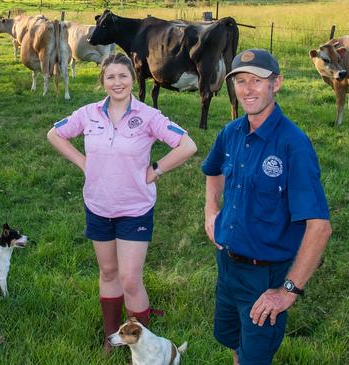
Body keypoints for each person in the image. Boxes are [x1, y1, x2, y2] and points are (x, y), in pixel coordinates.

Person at [47, 53, 197, 352]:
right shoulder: (88, 113)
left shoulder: (148, 115)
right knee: (108, 273)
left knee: (130, 279)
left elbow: (188, 145)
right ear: (102, 80)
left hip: (135, 209)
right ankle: (111, 338)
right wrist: (82, 161)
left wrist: (157, 169)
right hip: (98, 206)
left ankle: (141, 345)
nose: (117, 82)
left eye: (123, 76)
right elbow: (54, 134)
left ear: (133, 78)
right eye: (111, 77)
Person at [202, 49, 332, 365]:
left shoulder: (293, 144)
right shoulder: (231, 132)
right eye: (241, 81)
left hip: (265, 277)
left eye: (257, 81)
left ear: (277, 84)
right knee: (233, 343)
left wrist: (288, 290)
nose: (247, 90)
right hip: (227, 266)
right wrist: (211, 211)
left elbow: (320, 227)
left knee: (255, 358)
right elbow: (214, 169)